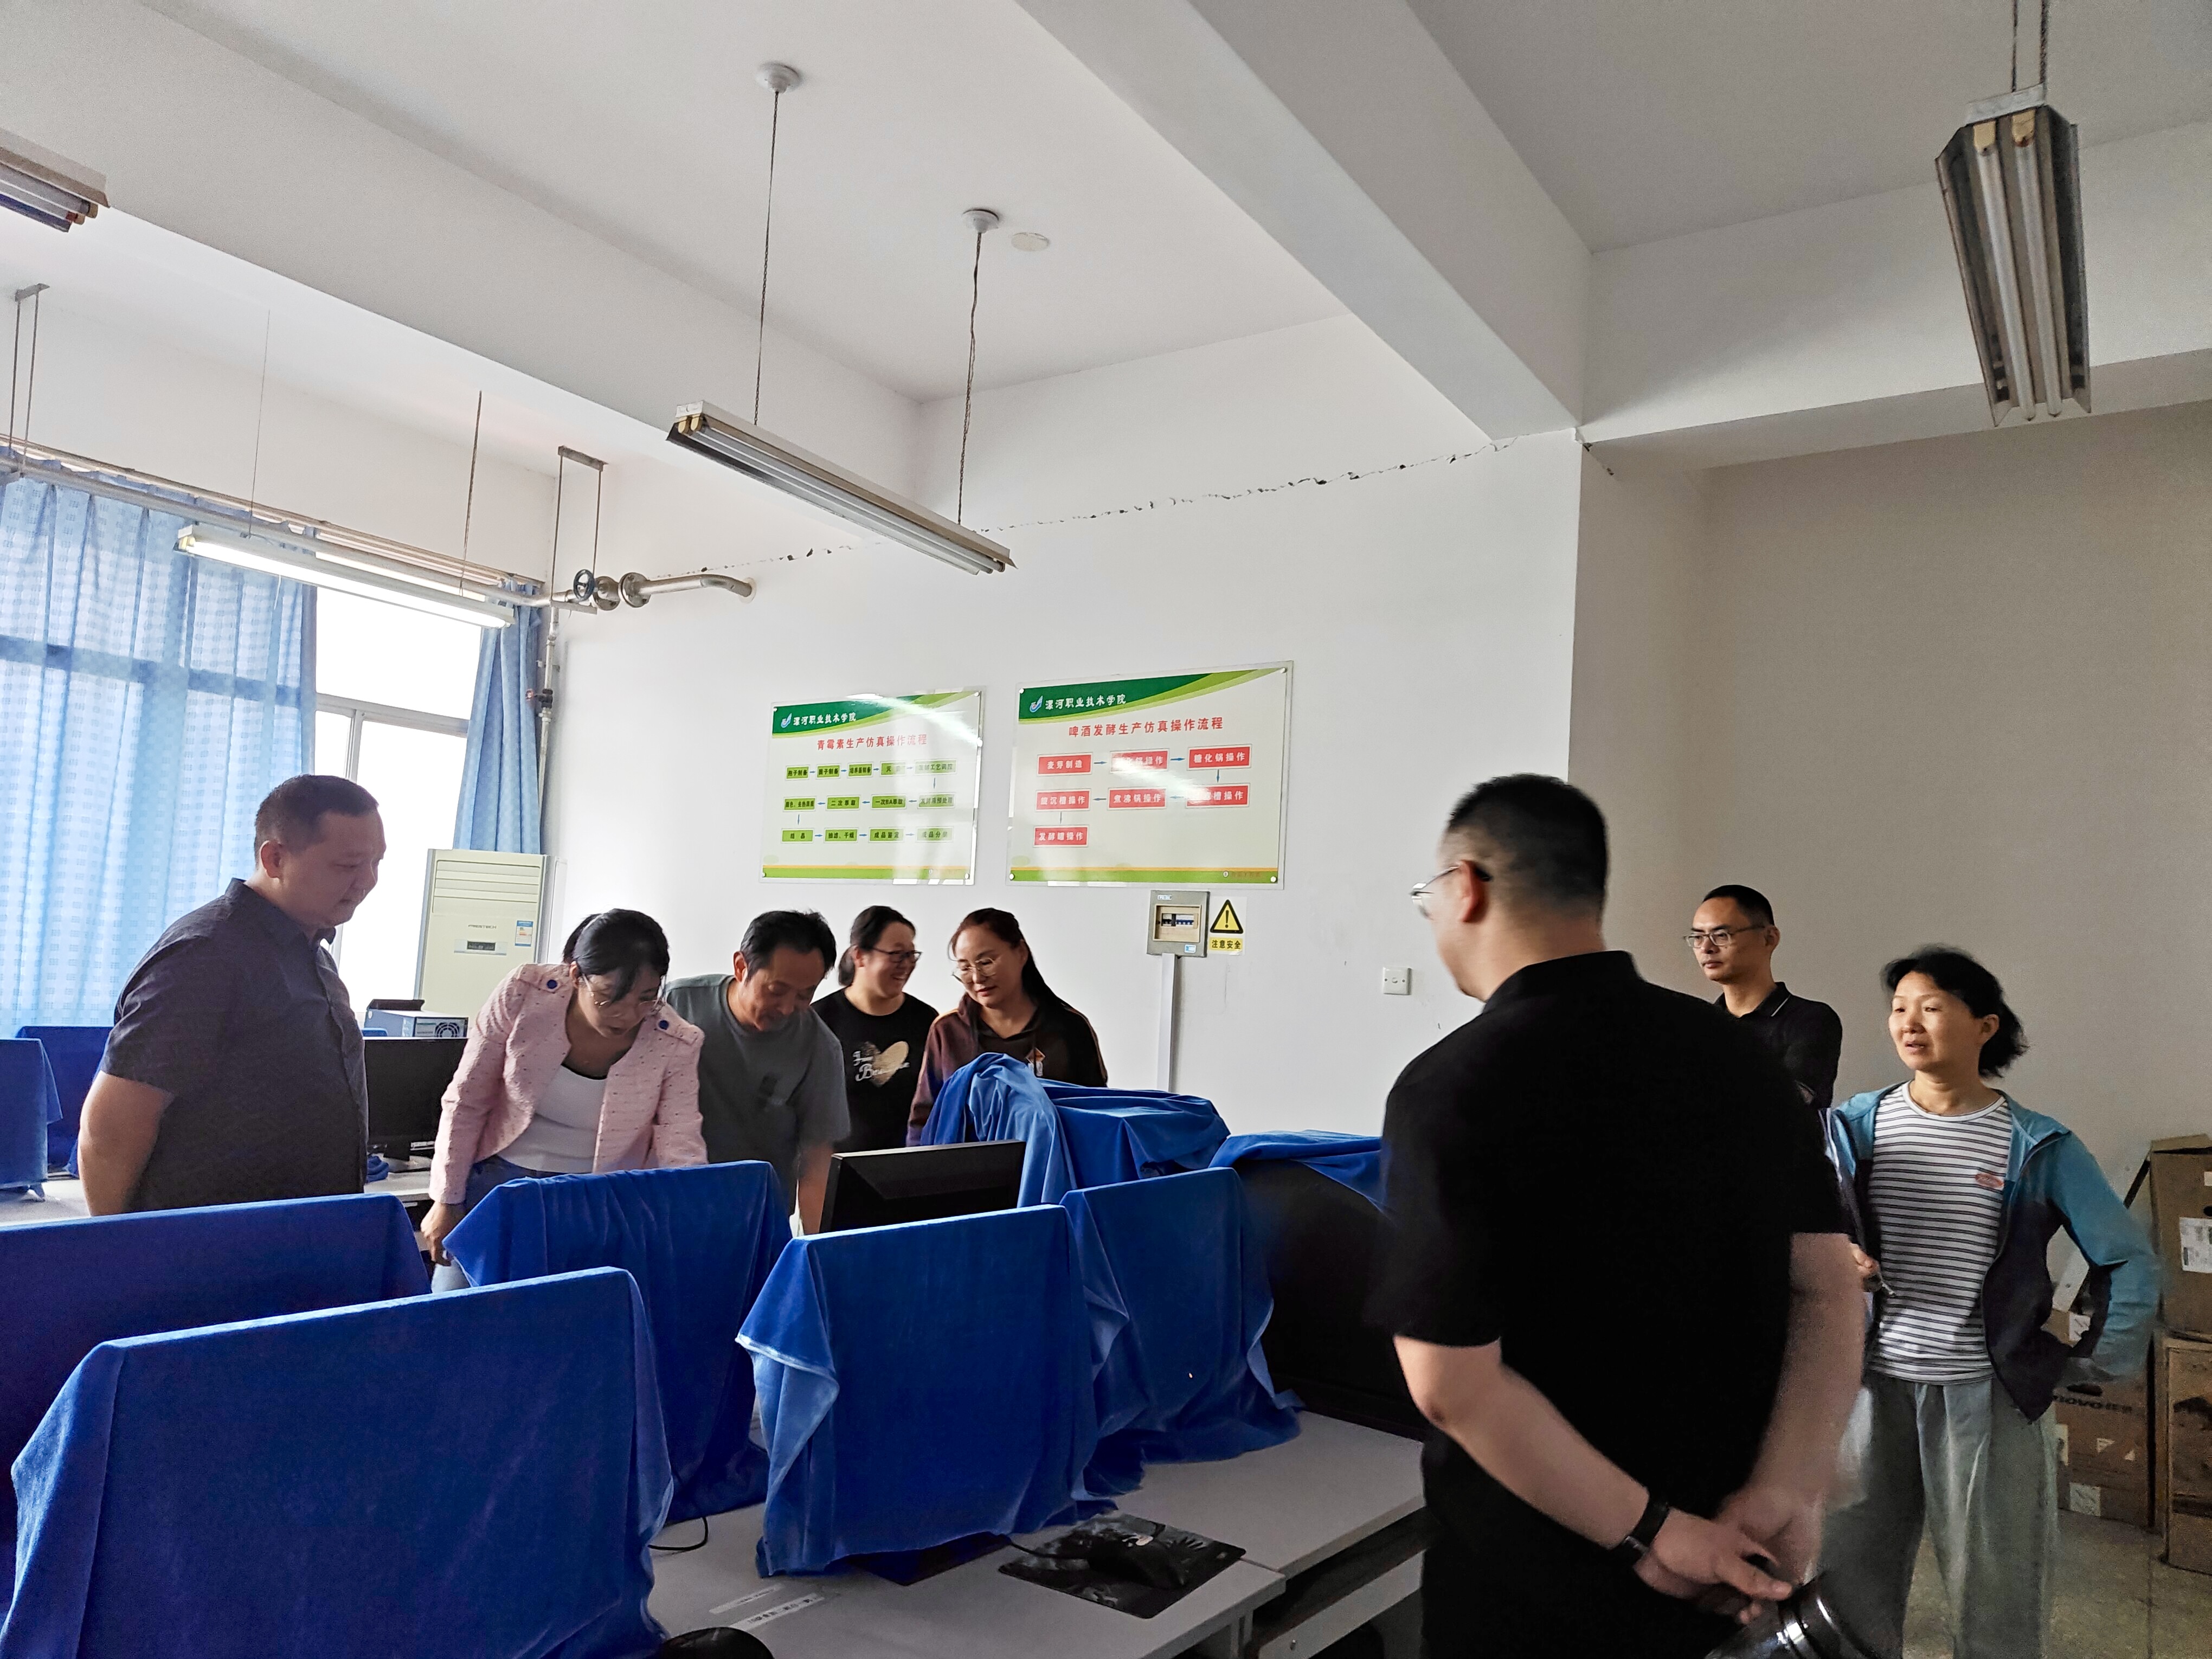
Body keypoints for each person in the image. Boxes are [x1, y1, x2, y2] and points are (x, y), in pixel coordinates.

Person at [1373, 775, 1865, 1657]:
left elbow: (1451, 1384)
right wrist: (1787, 1490)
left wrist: (1652, 1534)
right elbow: (1829, 1289)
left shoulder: (1453, 1087)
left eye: (1429, 897)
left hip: (1531, 1590)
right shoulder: (1743, 1064)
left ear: (1468, 888)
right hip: (1728, 1573)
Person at [1821, 948, 2155, 1659]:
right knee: (1846, 1594)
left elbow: (2128, 1258)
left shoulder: (2038, 1146)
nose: (1909, 1023)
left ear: (1985, 1026)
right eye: (1899, 1008)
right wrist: (1831, 1254)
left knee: (1998, 1597)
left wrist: (2090, 1364)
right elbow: (1796, 1228)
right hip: (1866, 1393)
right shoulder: (1852, 1130)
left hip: (1987, 1397)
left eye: (1932, 1007)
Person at [77, 774, 385, 1215]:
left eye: (377, 862)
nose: (367, 881)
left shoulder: (312, 955)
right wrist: (118, 1244)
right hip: (211, 1242)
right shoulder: (206, 955)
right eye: (347, 866)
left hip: (302, 1232)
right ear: (275, 858)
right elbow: (110, 1128)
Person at [417, 910, 704, 1276]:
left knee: (568, 1307)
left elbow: (680, 1139)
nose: (628, 1015)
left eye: (646, 998)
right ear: (576, 975)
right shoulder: (525, 993)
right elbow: (467, 1098)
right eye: (608, 997)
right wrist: (446, 1199)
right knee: (460, 1304)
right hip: (499, 1183)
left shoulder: (674, 1040)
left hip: (597, 1199)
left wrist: (689, 1217)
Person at [660, 910, 848, 1231]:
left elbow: (816, 1162)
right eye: (777, 990)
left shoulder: (820, 1048)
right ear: (741, 967)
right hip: (670, 1206)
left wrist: (816, 1246)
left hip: (756, 1218)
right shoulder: (678, 1005)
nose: (787, 1008)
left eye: (805, 995)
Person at [906, 908, 1106, 1141]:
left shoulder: (1070, 1027)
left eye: (986, 962)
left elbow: (1098, 1114)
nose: (977, 978)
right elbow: (924, 1119)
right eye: (965, 967)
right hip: (967, 1164)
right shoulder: (947, 1031)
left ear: (1021, 953)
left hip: (1052, 1160)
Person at [1690, 883, 1844, 1111]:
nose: (1706, 947)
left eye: (1721, 935)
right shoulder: (1699, 1026)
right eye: (1698, 937)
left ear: (1769, 939)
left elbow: (1786, 1105)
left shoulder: (1811, 1020)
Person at [813, 905, 938, 1154]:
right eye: (896, 954)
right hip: (840, 1168)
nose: (906, 964)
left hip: (913, 1166)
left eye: (911, 955)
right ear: (860, 955)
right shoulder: (820, 1021)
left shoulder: (927, 1020)